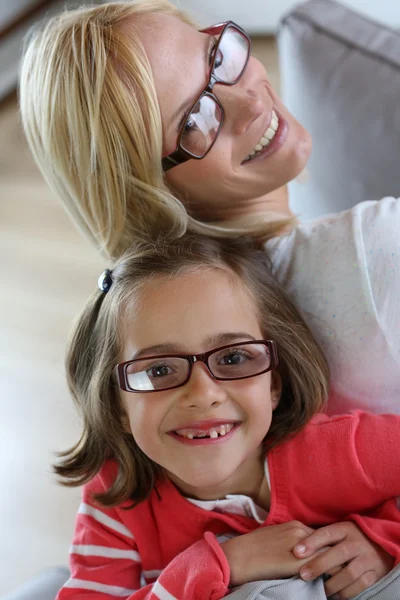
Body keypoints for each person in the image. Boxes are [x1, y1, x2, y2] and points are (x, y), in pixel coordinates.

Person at [19, 0, 400, 417]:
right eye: (192, 122)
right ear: (148, 191)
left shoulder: (168, 350)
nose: (251, 102)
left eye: (217, 57)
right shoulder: (375, 249)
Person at [54, 235, 399, 600]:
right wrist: (214, 564)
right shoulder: (117, 492)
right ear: (116, 404)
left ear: (273, 385)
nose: (203, 395)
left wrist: (383, 539)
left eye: (233, 359)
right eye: (158, 370)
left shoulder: (341, 451)